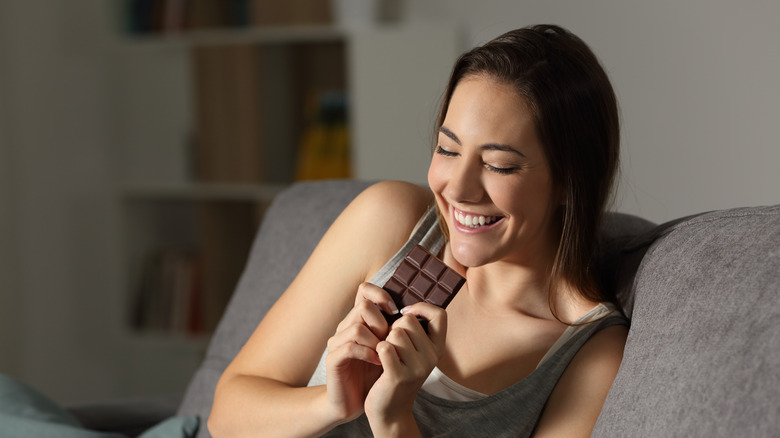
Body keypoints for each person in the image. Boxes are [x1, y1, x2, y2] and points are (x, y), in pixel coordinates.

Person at [208, 24, 626, 437]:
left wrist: (393, 420)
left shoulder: (589, 355)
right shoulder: (390, 221)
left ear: (570, 182)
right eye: (448, 149)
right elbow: (225, 415)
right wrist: (335, 404)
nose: (457, 189)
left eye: (498, 165)